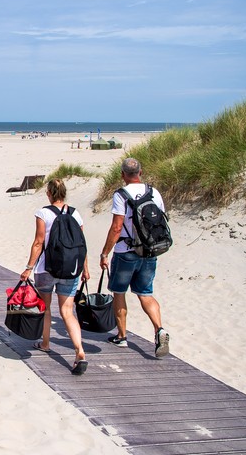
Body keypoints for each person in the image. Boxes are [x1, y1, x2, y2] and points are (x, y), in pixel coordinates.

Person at [99, 157, 170, 358]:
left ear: (122, 174)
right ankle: (159, 330)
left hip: (126, 252)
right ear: (141, 172)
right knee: (145, 294)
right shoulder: (153, 192)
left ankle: (121, 336)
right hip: (150, 250)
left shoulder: (121, 195)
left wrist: (105, 253)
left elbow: (116, 227)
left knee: (118, 292)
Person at [19, 178, 90, 375]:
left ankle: (45, 343)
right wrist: (85, 268)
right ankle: (80, 351)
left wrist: (28, 267)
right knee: (68, 311)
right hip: (71, 268)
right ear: (65, 193)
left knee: (46, 308)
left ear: (49, 193)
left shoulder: (43, 213)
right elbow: (81, 244)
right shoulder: (75, 213)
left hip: (46, 269)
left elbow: (38, 242)